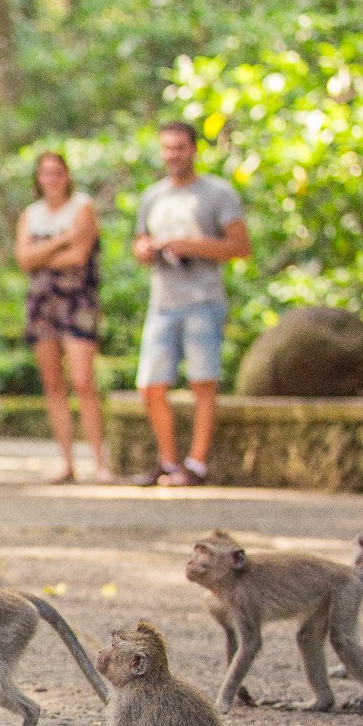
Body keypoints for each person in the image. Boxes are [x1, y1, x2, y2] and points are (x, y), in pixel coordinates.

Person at [130, 122, 251, 487]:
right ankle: (168, 462)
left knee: (202, 382)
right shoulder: (153, 196)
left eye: (180, 147)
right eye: (167, 148)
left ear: (194, 149)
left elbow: (241, 247)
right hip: (163, 301)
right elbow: (139, 243)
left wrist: (190, 245)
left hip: (203, 300)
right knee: (150, 385)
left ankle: (195, 464)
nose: (173, 155)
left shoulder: (218, 193)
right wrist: (146, 249)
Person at [16, 151, 109, 485]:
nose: (52, 179)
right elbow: (23, 259)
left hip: (77, 301)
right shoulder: (31, 214)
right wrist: (63, 239)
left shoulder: (83, 207)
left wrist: (43, 254)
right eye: (45, 173)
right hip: (41, 304)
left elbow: (79, 256)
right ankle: (66, 462)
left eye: (58, 172)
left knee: (83, 381)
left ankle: (100, 462)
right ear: (38, 178)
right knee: (53, 384)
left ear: (67, 175)